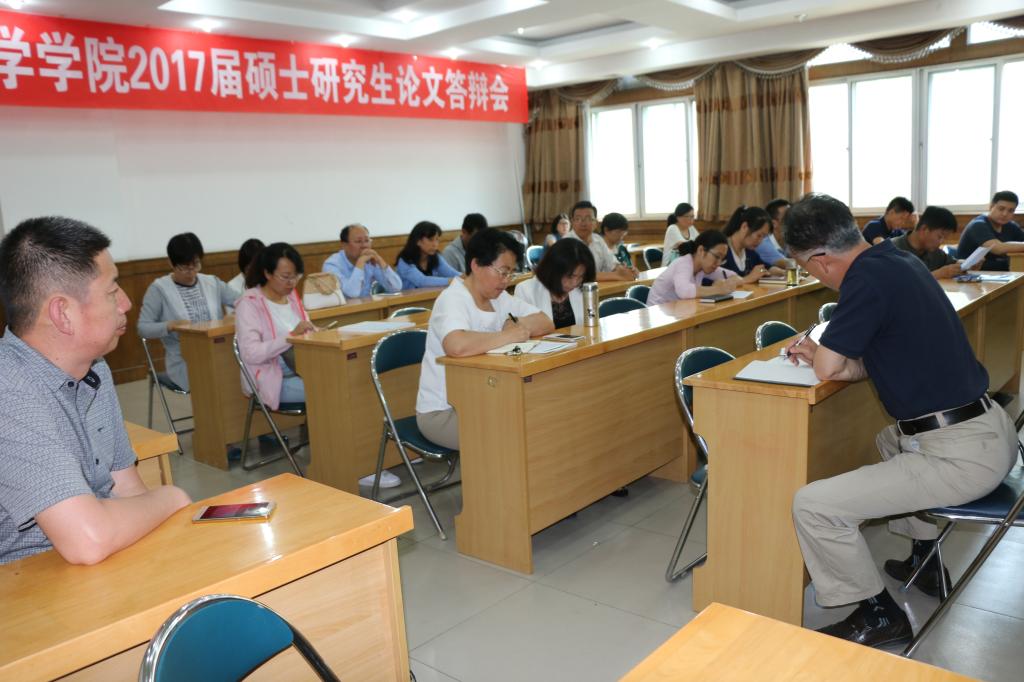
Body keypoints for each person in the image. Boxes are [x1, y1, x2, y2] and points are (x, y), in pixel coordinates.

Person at [782, 194, 1017, 648]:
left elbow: (829, 367)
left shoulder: (863, 280)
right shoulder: (897, 260)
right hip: (990, 432)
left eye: (806, 267)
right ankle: (924, 560)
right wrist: (832, 360)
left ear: (820, 259)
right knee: (890, 439)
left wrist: (822, 357)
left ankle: (878, 614)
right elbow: (868, 363)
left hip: (961, 456)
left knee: (813, 505)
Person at [0, 216, 191, 565]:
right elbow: (87, 539)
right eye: (112, 291)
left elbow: (126, 487)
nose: (126, 303)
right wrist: (173, 497)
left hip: (96, 565)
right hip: (25, 583)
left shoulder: (92, 367)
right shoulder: (7, 388)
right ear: (62, 313)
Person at [417, 229, 554, 449]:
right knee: (516, 432)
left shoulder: (499, 298)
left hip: (486, 398)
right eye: (502, 272)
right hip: (445, 410)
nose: (506, 281)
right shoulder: (453, 299)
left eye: (510, 274)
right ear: (476, 265)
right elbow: (456, 345)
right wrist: (507, 335)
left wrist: (520, 325)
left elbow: (546, 321)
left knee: (540, 415)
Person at [137, 232, 238, 392]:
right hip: (184, 360)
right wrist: (170, 325)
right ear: (171, 263)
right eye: (184, 267)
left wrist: (235, 315)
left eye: (195, 265)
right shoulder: (159, 289)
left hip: (217, 351)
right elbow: (143, 328)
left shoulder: (212, 282)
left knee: (239, 373)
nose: (191, 272)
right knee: (218, 378)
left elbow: (243, 302)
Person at [235, 243, 315, 410]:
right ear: (267, 273)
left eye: (296, 276)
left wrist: (315, 331)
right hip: (272, 379)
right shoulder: (249, 303)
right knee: (329, 387)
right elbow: (251, 354)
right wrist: (290, 337)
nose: (292, 283)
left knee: (341, 379)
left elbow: (305, 330)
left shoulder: (291, 296)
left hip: (302, 369)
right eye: (285, 277)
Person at [514, 238, 595, 328]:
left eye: (581, 276)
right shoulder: (525, 290)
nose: (575, 283)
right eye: (570, 276)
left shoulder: (583, 289)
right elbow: (522, 330)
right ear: (553, 269)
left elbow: (591, 322)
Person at [647, 230, 739, 305]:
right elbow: (684, 291)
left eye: (722, 259)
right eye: (717, 256)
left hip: (677, 312)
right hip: (657, 315)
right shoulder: (683, 263)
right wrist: (717, 289)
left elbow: (732, 275)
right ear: (701, 250)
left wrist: (728, 284)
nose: (718, 263)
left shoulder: (703, 267)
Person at [322, 223, 402, 298]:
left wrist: (381, 262)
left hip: (366, 305)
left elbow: (396, 288)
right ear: (344, 245)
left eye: (367, 241)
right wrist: (360, 263)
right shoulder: (332, 265)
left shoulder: (370, 260)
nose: (364, 246)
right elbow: (352, 293)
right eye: (358, 241)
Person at [566, 200, 637, 282]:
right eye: (578, 219)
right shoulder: (566, 242)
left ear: (595, 223)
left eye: (588, 219)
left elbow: (612, 264)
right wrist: (617, 275)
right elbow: (578, 275)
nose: (583, 223)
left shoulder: (598, 240)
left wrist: (627, 271)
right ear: (572, 222)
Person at [956, 190, 1024, 271]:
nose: (1005, 214)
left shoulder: (1011, 226)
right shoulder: (978, 225)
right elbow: (998, 249)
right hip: (971, 274)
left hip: (1002, 273)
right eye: (1001, 209)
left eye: (1011, 211)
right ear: (991, 207)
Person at [891, 206, 963, 279]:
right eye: (940, 237)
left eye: (944, 238)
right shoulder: (892, 249)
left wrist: (967, 264)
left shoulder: (934, 251)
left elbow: (955, 263)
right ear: (924, 229)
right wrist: (938, 274)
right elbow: (897, 282)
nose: (941, 242)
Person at [721, 205, 784, 281]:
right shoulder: (721, 249)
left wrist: (783, 272)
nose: (760, 241)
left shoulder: (750, 253)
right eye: (759, 235)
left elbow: (765, 268)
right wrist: (749, 278)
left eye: (763, 237)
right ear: (744, 227)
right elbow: (716, 282)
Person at [395, 221, 461, 289]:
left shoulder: (435, 257)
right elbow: (422, 281)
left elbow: (451, 273)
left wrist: (465, 277)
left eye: (437, 239)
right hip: (408, 296)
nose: (435, 244)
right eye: (431, 240)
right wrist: (452, 281)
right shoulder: (405, 261)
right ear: (418, 241)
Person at [756, 198, 794, 269]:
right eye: (788, 217)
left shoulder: (788, 240)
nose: (793, 220)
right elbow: (789, 264)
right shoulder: (763, 244)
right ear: (774, 223)